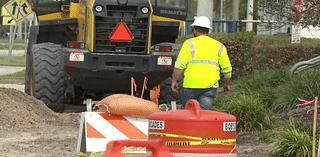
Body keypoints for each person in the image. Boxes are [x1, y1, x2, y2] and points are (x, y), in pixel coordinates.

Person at [171, 16, 232, 110]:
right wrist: (227, 84)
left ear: (195, 30)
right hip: (209, 87)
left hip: (190, 86)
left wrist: (174, 81)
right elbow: (227, 69)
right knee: (204, 115)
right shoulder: (219, 46)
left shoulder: (188, 43)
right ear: (208, 30)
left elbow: (179, 65)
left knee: (189, 115)